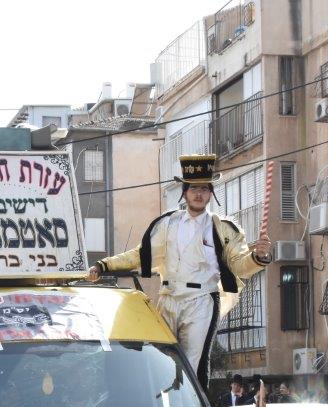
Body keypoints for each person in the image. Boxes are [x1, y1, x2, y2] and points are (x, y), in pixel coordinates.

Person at [88, 154, 271, 386]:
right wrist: (104, 265)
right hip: (168, 299)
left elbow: (239, 264)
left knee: (192, 365)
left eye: (204, 189)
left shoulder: (223, 228)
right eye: (194, 188)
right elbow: (139, 255)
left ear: (211, 193)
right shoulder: (167, 224)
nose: (199, 193)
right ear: (184, 191)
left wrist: (258, 256)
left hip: (202, 300)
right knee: (161, 361)